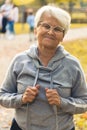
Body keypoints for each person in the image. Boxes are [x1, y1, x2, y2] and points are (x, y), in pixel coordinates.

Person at [0, 5, 87, 130]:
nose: (50, 32)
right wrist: (22, 98)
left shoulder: (72, 65)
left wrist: (62, 102)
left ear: (63, 36)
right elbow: (2, 95)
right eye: (46, 26)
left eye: (57, 29)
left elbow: (84, 102)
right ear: (36, 30)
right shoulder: (20, 61)